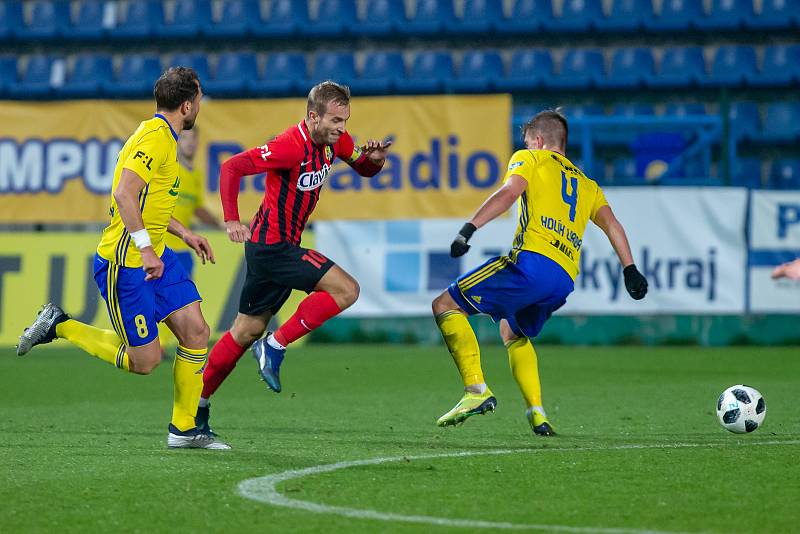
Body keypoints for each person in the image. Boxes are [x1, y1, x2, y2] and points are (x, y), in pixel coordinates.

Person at [16, 67, 229, 450]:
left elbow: (153, 202)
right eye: (199, 99)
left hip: (157, 254)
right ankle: (60, 325)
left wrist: (184, 233)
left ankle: (183, 429)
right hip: (126, 263)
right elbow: (124, 195)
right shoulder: (154, 139)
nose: (200, 105)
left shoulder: (162, 136)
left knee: (197, 331)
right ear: (186, 105)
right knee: (145, 361)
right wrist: (146, 249)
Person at [431, 110, 648, 436]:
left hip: (531, 265)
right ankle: (537, 413)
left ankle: (475, 391)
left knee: (445, 305)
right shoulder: (588, 185)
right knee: (512, 332)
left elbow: (509, 192)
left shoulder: (531, 158)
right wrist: (630, 268)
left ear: (539, 140)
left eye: (528, 141)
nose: (526, 146)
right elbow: (612, 225)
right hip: (562, 280)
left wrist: (469, 228)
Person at [195, 81, 391, 434]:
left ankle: (195, 408)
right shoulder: (289, 146)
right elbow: (232, 168)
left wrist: (375, 162)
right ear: (313, 117)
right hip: (273, 247)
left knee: (244, 331)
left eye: (345, 120)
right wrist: (230, 219)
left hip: (272, 248)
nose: (342, 128)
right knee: (346, 290)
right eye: (334, 120)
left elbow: (365, 167)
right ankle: (275, 345)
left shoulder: (336, 141)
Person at [159, 125, 223, 359]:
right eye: (184, 138)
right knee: (168, 298)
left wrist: (220, 225)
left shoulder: (195, 174)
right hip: (163, 247)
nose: (189, 143)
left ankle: (165, 343)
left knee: (181, 299)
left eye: (192, 139)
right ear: (178, 142)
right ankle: (158, 343)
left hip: (184, 249)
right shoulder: (169, 170)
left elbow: (196, 207)